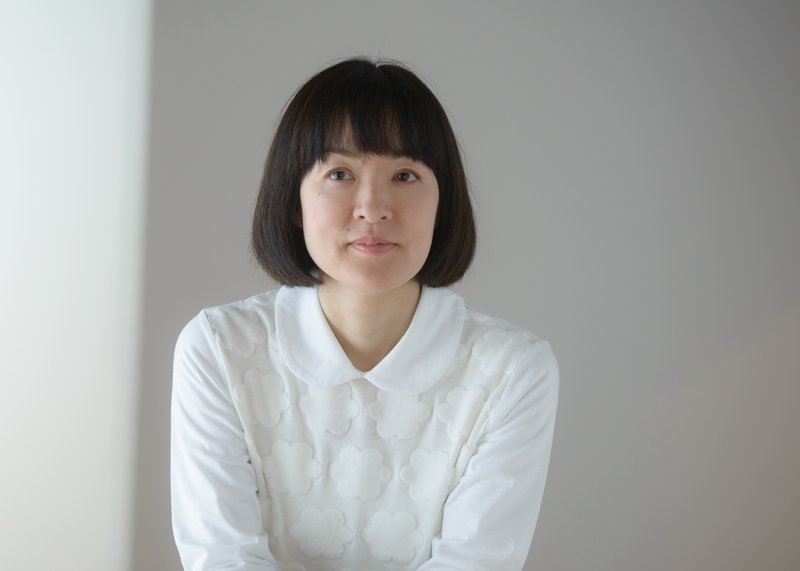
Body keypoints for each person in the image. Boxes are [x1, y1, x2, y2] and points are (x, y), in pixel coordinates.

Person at [171, 57, 559, 571]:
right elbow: (223, 558)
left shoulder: (513, 370)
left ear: (442, 202)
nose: (373, 208)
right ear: (294, 201)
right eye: (340, 174)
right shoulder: (219, 349)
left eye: (404, 175)